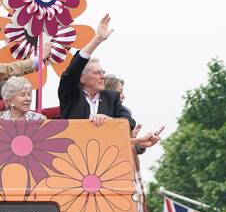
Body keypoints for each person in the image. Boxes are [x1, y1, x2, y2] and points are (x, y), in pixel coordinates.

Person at [56, 14, 163, 151]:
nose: (102, 77)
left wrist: (109, 120)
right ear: (82, 78)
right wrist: (98, 39)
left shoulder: (111, 97)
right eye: (97, 73)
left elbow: (129, 122)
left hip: (104, 159)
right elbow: (72, 71)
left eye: (103, 72)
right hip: (72, 155)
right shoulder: (71, 95)